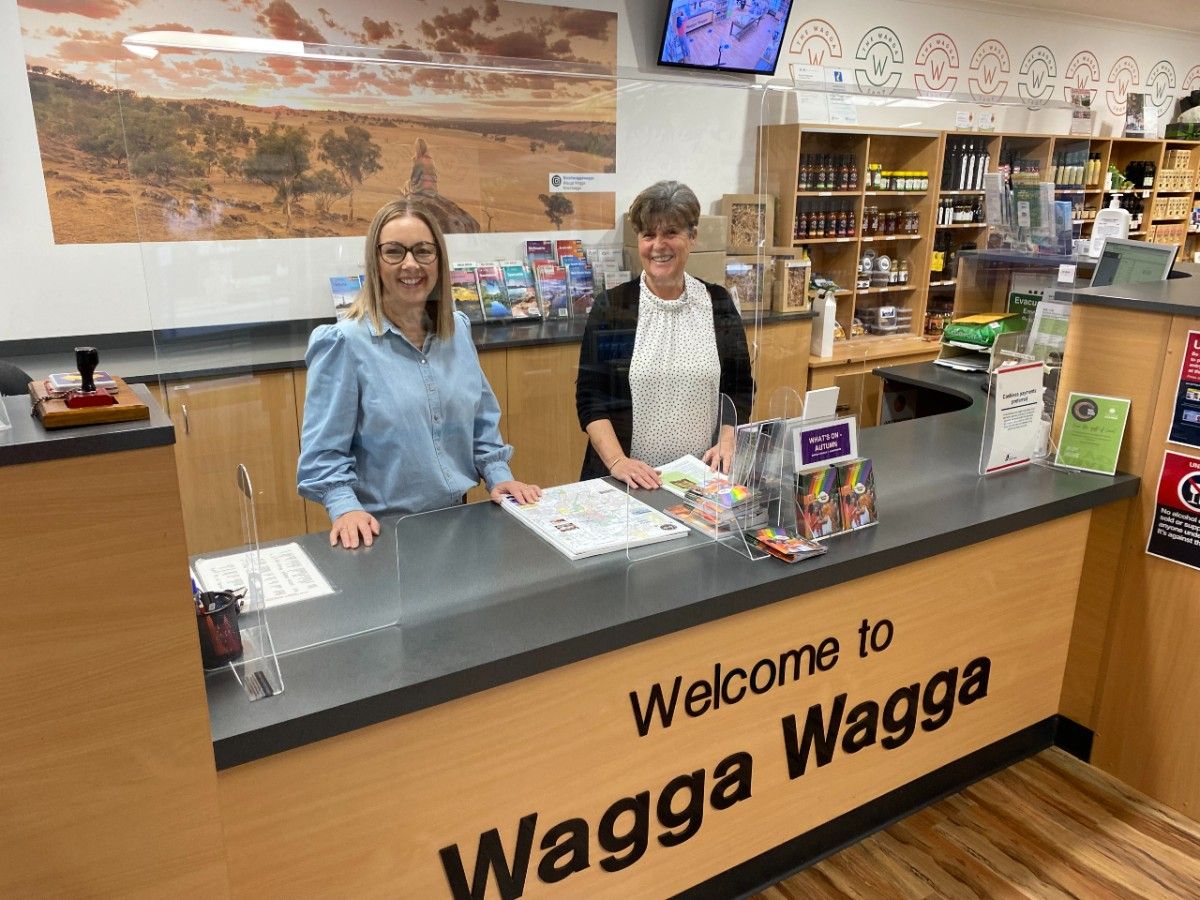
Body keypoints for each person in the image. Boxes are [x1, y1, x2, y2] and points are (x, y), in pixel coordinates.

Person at [298, 198, 540, 549]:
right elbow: (323, 455)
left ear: (438, 260)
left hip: (461, 524)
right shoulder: (344, 344)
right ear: (375, 261)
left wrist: (498, 475)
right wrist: (344, 508)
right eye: (394, 251)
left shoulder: (456, 331)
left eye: (423, 251)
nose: (410, 264)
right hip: (382, 535)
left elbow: (481, 423)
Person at [575, 180, 753, 489]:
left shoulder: (718, 303)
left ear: (692, 237)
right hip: (627, 483)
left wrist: (728, 440)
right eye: (649, 235)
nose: (659, 245)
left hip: (700, 480)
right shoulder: (614, 308)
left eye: (671, 233)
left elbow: (739, 388)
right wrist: (619, 462)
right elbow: (591, 398)